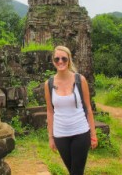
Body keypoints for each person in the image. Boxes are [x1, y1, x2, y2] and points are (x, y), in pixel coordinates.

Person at [44, 45, 98, 175]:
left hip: (80, 132)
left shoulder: (80, 80)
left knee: (77, 172)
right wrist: (51, 137)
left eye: (64, 58)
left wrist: (93, 134)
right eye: (57, 59)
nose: (60, 62)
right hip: (60, 135)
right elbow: (50, 111)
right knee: (72, 170)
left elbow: (88, 108)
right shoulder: (49, 84)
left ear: (69, 60)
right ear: (53, 61)